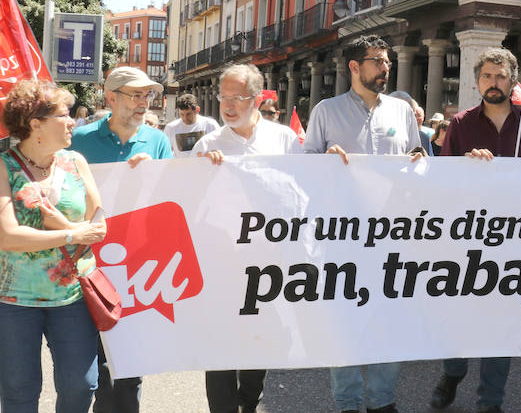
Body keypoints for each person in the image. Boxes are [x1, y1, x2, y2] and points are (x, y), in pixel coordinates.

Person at [430, 47, 521, 413]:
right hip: (467, 242)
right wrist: (467, 167)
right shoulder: (461, 125)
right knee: (461, 320)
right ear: (477, 80)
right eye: (487, 76)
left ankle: (491, 400)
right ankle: (452, 374)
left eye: (500, 76)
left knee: (502, 325)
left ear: (513, 81)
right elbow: (442, 181)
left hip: (516, 243)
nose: (493, 82)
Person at [303, 35, 421, 413]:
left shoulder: (402, 112)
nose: (385, 68)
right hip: (342, 241)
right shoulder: (325, 111)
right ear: (354, 67)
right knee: (345, 324)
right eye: (377, 61)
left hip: (393, 239)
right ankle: (348, 403)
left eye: (387, 62)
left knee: (390, 323)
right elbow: (304, 170)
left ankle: (382, 401)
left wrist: (419, 163)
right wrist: (324, 160)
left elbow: (418, 165)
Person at [190, 64, 300, 413]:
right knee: (219, 344)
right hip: (222, 260)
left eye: (237, 97)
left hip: (268, 260)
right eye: (224, 97)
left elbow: (301, 192)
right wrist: (201, 173)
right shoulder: (208, 144)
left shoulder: (284, 139)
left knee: (259, 339)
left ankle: (249, 403)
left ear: (256, 98)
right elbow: (191, 202)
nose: (228, 105)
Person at [0, 79, 107, 413]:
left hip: (73, 296)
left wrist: (65, 227)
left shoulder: (75, 162)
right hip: (15, 301)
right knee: (19, 393)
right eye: (64, 114)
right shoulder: (4, 166)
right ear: (36, 124)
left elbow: (99, 224)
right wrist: (73, 234)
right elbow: (8, 237)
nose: (73, 120)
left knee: (82, 384)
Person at [69, 66, 172, 413]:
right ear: (111, 98)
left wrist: (152, 176)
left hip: (138, 269)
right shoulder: (80, 141)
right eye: (136, 95)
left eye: (148, 95)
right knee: (92, 368)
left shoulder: (157, 141)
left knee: (129, 371)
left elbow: (171, 200)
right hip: (86, 268)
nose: (144, 103)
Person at [164, 93, 220, 157]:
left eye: (188, 114)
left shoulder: (211, 125)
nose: (185, 118)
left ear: (197, 110)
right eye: (182, 114)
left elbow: (221, 147)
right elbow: (166, 152)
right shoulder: (171, 128)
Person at [388, 90, 433, 156]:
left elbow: (430, 164)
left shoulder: (423, 138)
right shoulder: (377, 134)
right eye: (400, 112)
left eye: (411, 114)